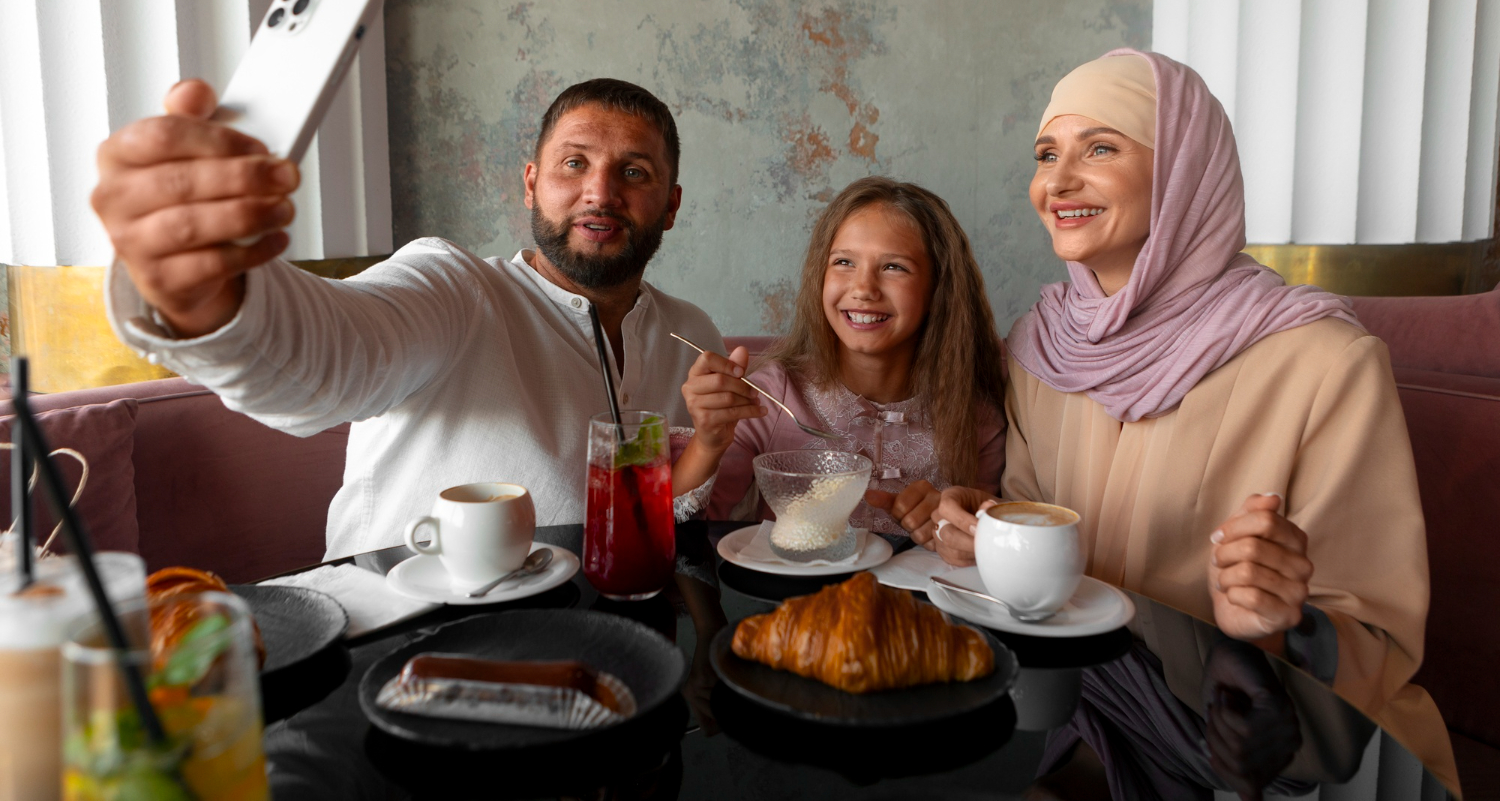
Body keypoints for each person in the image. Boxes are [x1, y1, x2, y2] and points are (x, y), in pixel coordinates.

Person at [932, 49, 1451, 776]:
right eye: (1047, 154)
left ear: (1183, 169)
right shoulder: (1041, 346)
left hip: (1263, 742)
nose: (1058, 181)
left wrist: (1285, 623)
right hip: (1081, 704)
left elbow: (1378, 633)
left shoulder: (1324, 361)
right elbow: (1032, 521)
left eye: (1101, 147)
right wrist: (983, 530)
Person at [91, 77, 724, 557]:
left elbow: (672, 512)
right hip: (396, 652)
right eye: (574, 163)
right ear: (531, 183)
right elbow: (333, 355)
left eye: (633, 173)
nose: (600, 192)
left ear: (669, 206)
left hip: (608, 651)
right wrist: (210, 294)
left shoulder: (690, 334)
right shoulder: (453, 287)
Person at [679, 177, 1006, 544]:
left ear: (938, 289)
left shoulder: (978, 418)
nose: (864, 288)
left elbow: (987, 548)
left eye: (894, 267)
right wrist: (707, 443)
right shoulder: (769, 397)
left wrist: (952, 526)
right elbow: (683, 537)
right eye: (844, 262)